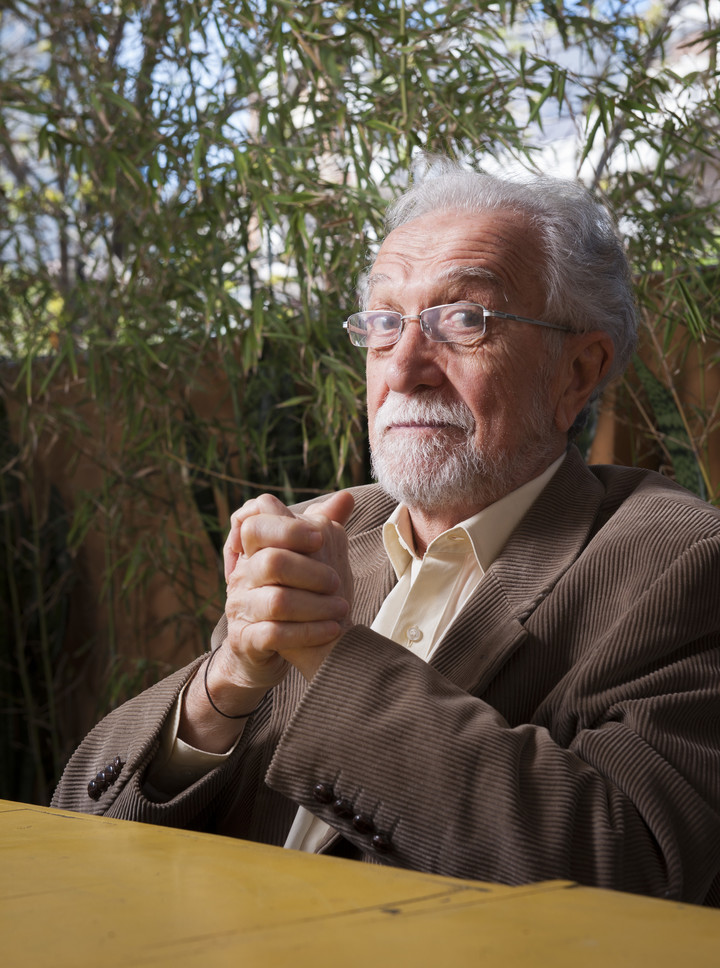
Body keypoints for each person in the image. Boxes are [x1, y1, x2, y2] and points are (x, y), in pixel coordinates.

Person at [52, 156, 720, 905]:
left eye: (464, 320)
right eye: (383, 321)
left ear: (577, 371)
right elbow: (82, 815)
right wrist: (227, 685)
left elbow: (631, 863)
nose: (403, 367)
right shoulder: (330, 532)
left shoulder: (680, 563)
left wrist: (331, 651)